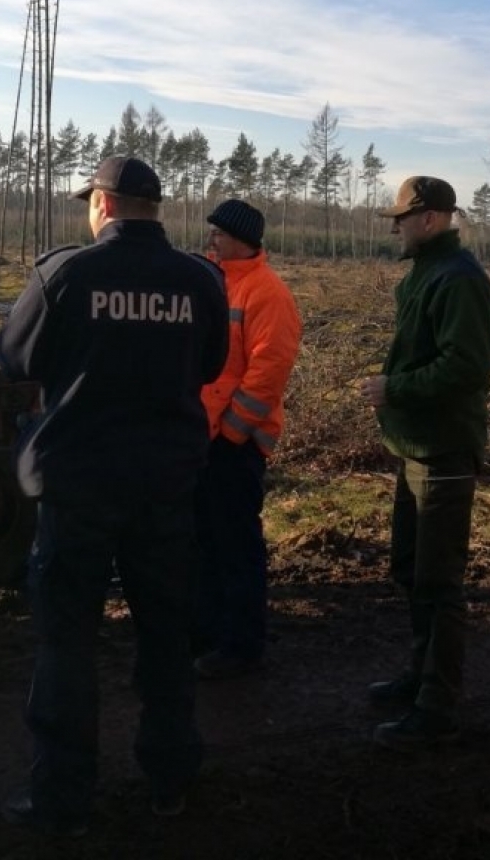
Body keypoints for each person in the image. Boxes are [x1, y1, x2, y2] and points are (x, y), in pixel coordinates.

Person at [0, 155, 229, 835]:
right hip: (164, 486)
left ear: (102, 203)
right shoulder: (198, 280)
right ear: (154, 208)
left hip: (78, 487)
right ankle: (170, 779)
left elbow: (16, 357)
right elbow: (210, 363)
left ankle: (61, 798)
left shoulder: (65, 273)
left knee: (66, 643)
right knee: (165, 636)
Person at [357, 175, 490, 751]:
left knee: (439, 584)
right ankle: (420, 677)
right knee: (411, 571)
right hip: (414, 447)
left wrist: (396, 389)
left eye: (402, 217)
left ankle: (437, 706)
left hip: (443, 450)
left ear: (432, 219)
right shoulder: (427, 274)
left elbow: (467, 367)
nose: (395, 226)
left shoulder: (458, 280)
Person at [192, 198, 302, 680]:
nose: (211, 240)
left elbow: (268, 372)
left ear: (239, 239)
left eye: (218, 234)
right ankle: (209, 634)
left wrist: (233, 433)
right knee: (206, 542)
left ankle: (241, 645)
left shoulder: (266, 292)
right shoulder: (216, 283)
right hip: (206, 438)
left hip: (234, 445)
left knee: (236, 545)